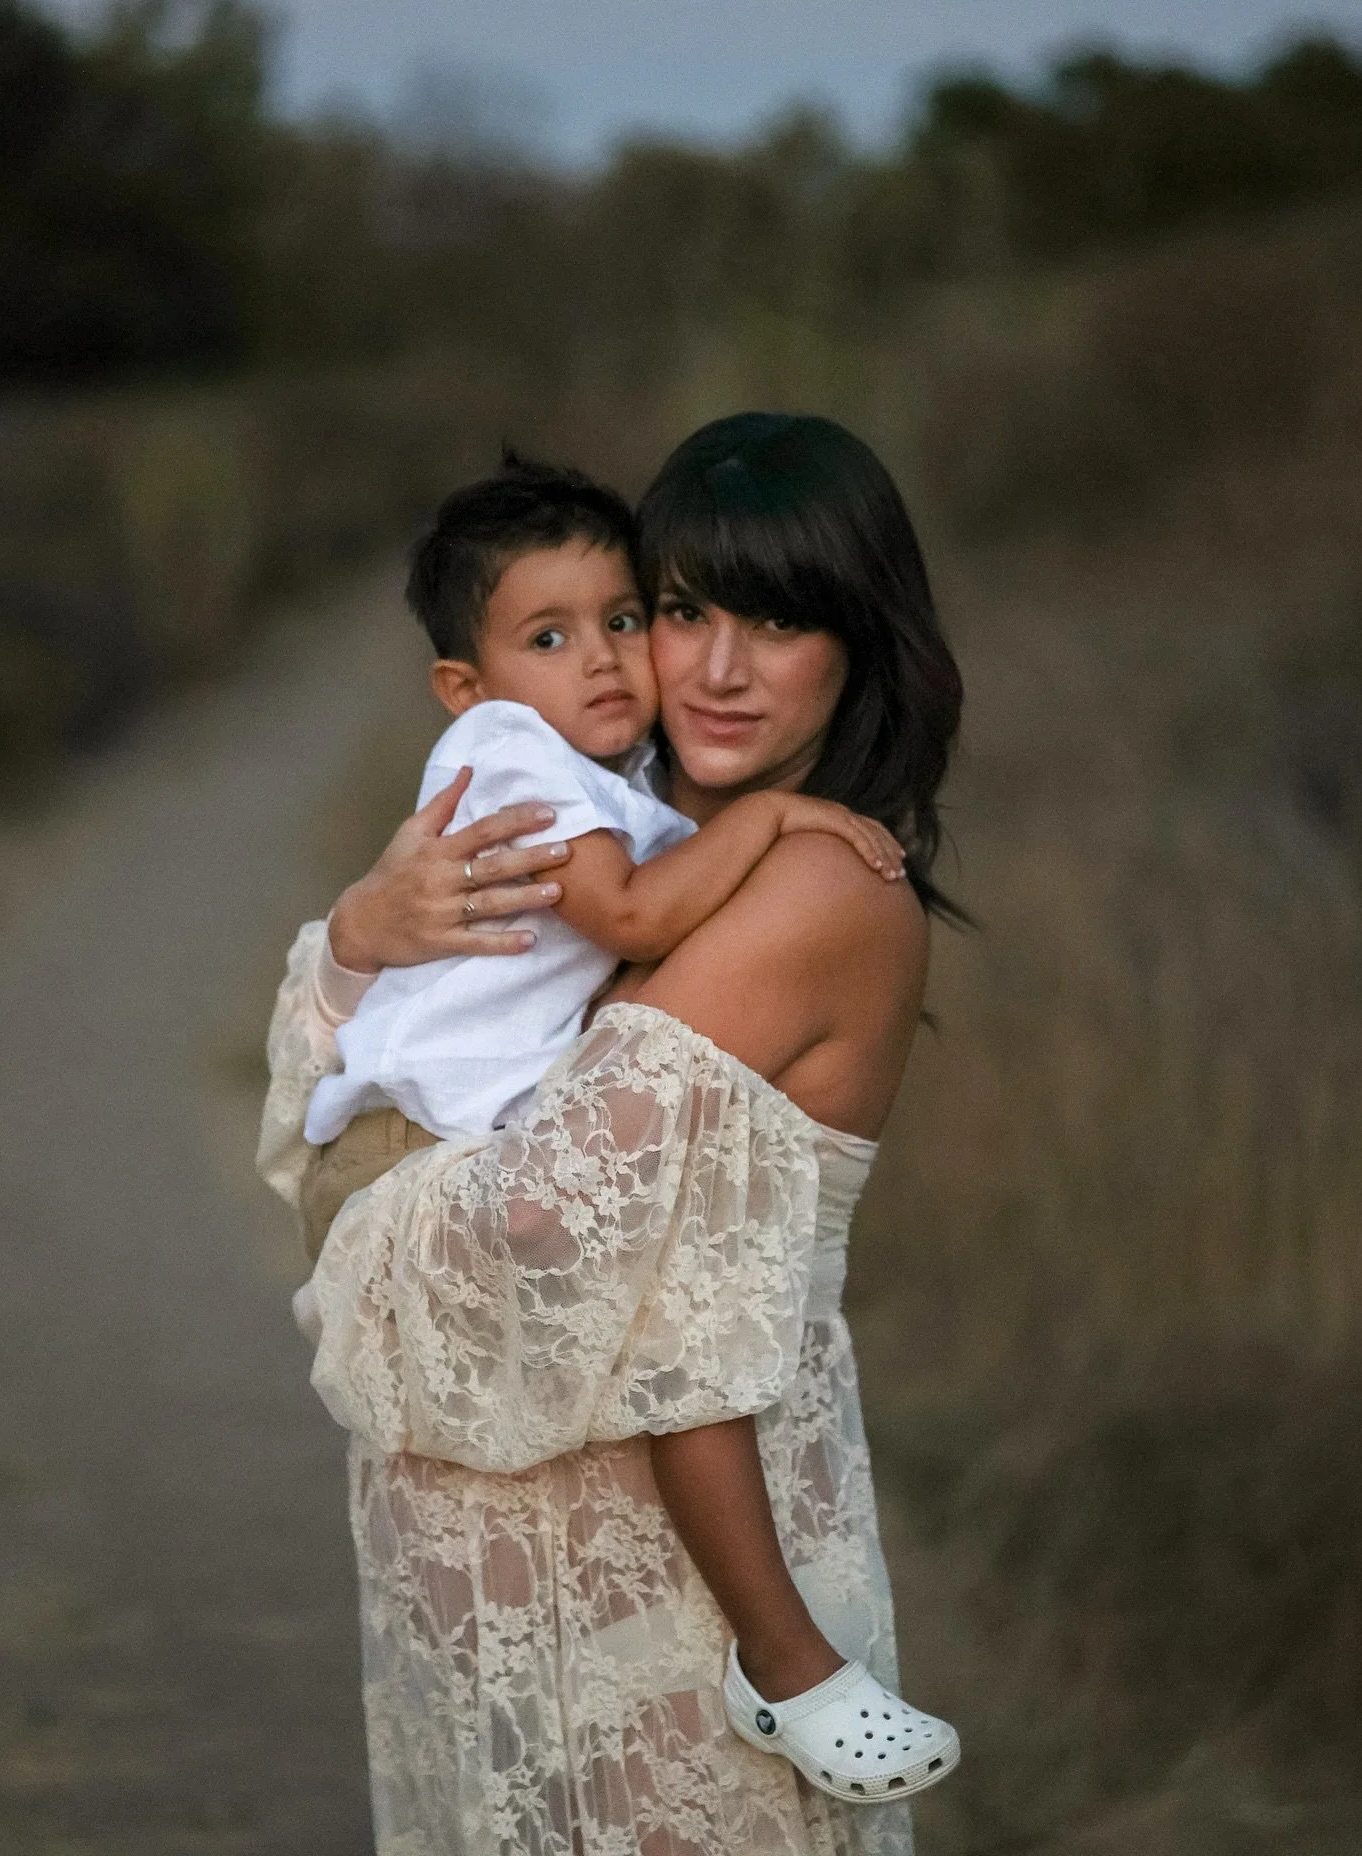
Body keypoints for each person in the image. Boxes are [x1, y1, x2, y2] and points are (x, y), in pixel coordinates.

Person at [258, 411, 965, 1854]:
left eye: (775, 622)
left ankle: (795, 1669)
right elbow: (373, 1069)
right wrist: (352, 938)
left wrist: (353, 1218)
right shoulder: (615, 819)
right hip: (503, 1560)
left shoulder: (817, 885)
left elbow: (527, 1218)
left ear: (858, 642)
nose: (709, 667)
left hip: (664, 1585)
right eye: (687, 611)